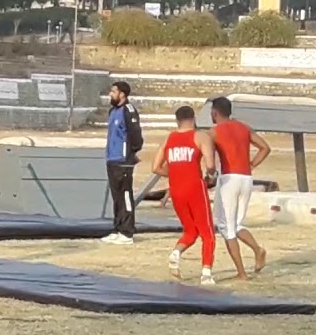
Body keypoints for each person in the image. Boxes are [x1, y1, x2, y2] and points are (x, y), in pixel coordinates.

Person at [152, 106, 217, 286]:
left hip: (176, 189)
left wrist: (175, 172)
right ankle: (206, 272)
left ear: (177, 120)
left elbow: (155, 167)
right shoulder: (200, 136)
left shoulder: (169, 138)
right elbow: (210, 165)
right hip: (195, 187)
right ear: (193, 118)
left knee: (190, 230)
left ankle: (176, 253)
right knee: (207, 232)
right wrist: (211, 175)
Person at [210, 96, 271, 280]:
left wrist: (209, 173)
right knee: (235, 224)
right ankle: (257, 250)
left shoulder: (214, 131)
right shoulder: (244, 127)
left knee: (226, 226)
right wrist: (251, 164)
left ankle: (241, 272)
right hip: (246, 177)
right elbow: (265, 148)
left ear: (214, 113)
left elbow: (208, 158)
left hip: (229, 178)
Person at [103, 80, 144, 245]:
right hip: (112, 159)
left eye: (114, 91)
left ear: (122, 94)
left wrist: (131, 154)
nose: (111, 94)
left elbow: (136, 135)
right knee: (116, 197)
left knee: (125, 194)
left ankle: (127, 232)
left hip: (123, 161)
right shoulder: (113, 111)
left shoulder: (129, 110)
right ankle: (117, 228)